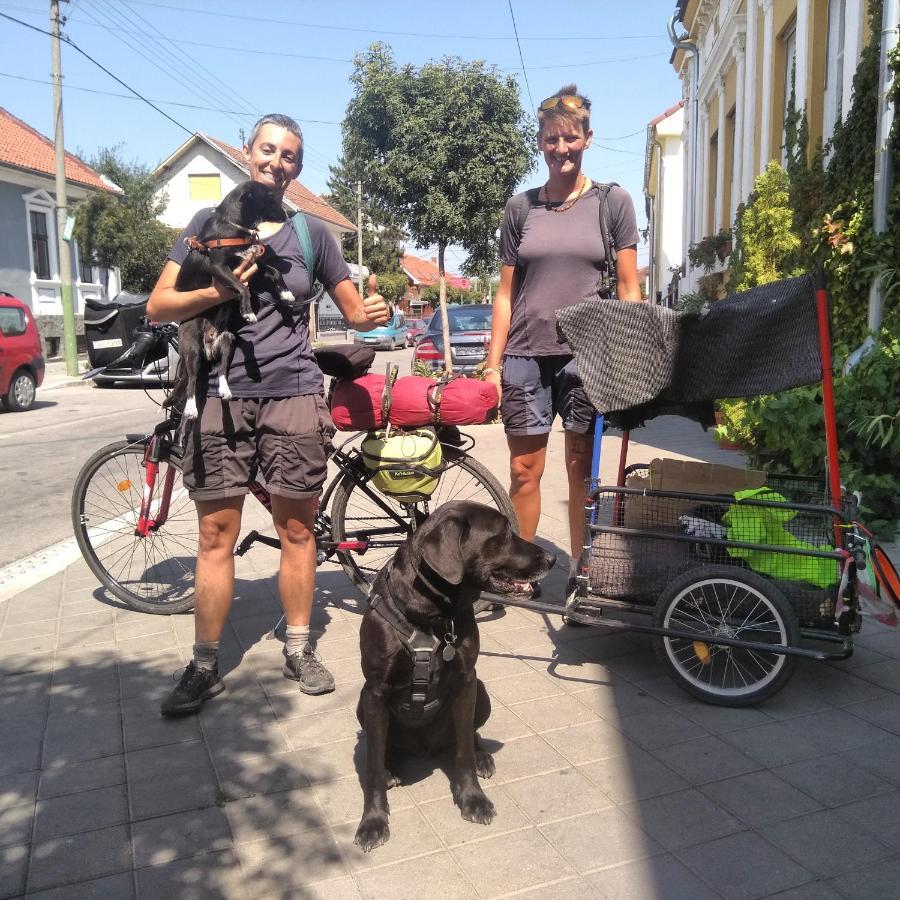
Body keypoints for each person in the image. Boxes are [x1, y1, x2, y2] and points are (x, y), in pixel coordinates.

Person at [148, 114, 389, 716]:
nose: (276, 162)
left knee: (297, 531)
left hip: (293, 395)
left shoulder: (313, 236)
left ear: (296, 169)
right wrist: (220, 293)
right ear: (248, 153)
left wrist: (372, 313)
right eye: (267, 150)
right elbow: (159, 305)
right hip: (221, 398)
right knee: (214, 535)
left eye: (288, 156)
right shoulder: (208, 224)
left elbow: (355, 312)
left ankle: (300, 648)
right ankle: (204, 665)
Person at [482, 85, 642, 596]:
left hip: (585, 357)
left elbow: (628, 288)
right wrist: (492, 363)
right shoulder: (520, 209)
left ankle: (582, 570)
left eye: (570, 138)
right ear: (540, 142)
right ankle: (522, 571)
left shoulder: (612, 202)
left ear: (587, 139)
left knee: (580, 471)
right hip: (526, 355)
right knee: (524, 470)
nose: (561, 148)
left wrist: (630, 355)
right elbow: (505, 293)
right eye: (552, 139)